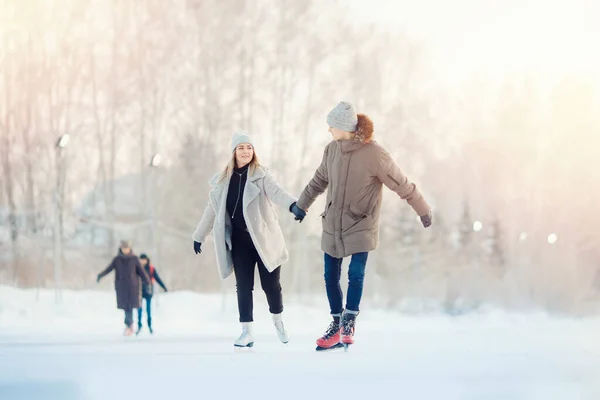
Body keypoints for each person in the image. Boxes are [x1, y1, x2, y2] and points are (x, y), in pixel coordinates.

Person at [294, 101, 433, 350]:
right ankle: (336, 324)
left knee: (355, 274)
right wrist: (302, 205)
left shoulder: (374, 154)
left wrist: (422, 209)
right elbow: (319, 180)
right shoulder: (331, 150)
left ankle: (349, 320)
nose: (328, 130)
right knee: (329, 276)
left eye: (332, 126)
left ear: (344, 127)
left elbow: (400, 183)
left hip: (361, 222)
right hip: (333, 223)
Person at [192, 132, 305, 348]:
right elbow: (211, 210)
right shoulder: (223, 181)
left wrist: (294, 206)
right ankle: (247, 331)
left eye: (249, 147)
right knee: (243, 286)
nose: (246, 151)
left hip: (263, 239)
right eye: (241, 147)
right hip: (239, 242)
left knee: (271, 285)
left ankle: (278, 320)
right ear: (234, 152)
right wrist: (199, 236)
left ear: (254, 152)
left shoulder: (261, 176)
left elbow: (277, 193)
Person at [97, 240, 151, 336]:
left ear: (130, 248)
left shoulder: (134, 259)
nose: (125, 250)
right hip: (121, 287)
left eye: (127, 248)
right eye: (123, 248)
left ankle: (130, 325)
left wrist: (147, 282)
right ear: (121, 249)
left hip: (132, 287)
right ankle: (129, 325)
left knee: (130, 306)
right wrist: (100, 275)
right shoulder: (117, 259)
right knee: (126, 307)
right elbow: (109, 269)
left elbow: (141, 271)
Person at [136, 253, 168, 335]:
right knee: (139, 310)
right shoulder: (137, 268)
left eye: (144, 260)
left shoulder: (151, 268)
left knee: (148, 310)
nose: (142, 261)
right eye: (141, 260)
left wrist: (163, 287)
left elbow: (157, 278)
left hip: (148, 291)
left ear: (147, 260)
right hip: (139, 291)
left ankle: (149, 326)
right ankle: (139, 325)